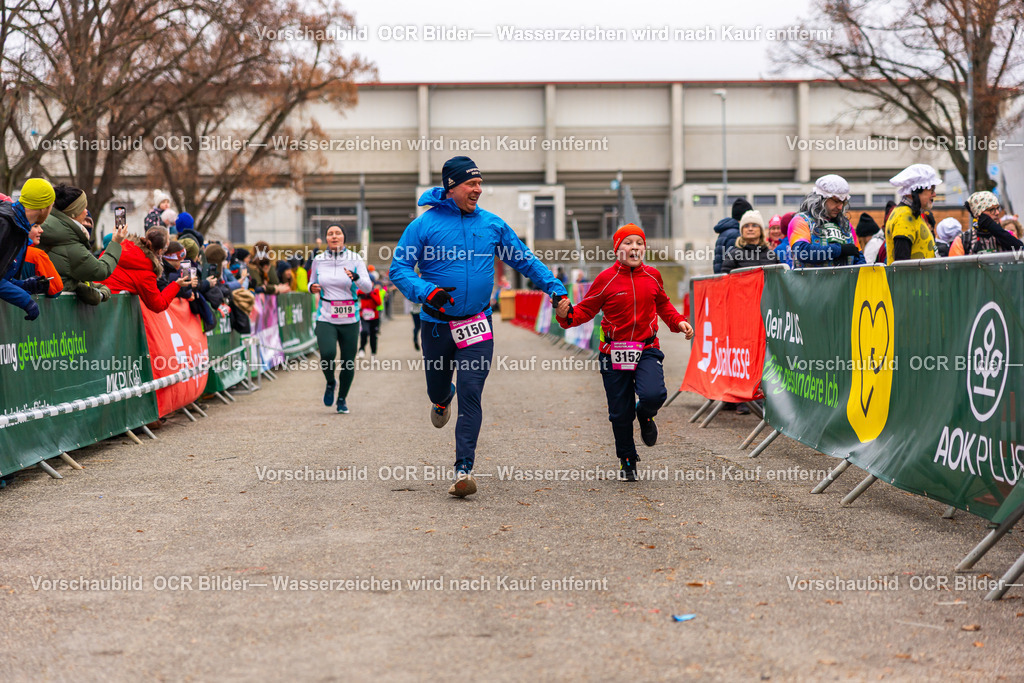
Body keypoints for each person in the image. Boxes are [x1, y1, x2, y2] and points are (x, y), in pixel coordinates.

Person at [390, 156, 568, 498]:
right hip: (437, 325)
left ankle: (463, 469)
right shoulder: (423, 226)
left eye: (479, 183)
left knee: (471, 391)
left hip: (477, 324)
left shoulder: (492, 224)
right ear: (451, 186)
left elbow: (525, 260)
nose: (478, 189)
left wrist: (554, 288)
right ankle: (442, 399)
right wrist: (428, 292)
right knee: (438, 390)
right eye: (471, 183)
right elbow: (399, 269)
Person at [555, 223, 694, 482]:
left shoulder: (653, 276)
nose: (634, 248)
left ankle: (646, 413)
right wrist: (566, 315)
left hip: (646, 348)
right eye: (628, 243)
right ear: (617, 249)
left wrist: (679, 322)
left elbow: (663, 305)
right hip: (613, 352)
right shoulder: (605, 279)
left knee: (654, 394)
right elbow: (585, 310)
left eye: (639, 243)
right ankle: (627, 459)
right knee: (620, 412)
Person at [309, 224, 372, 414]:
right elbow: (311, 282)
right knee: (327, 354)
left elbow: (368, 287)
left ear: (344, 237)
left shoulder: (355, 259)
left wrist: (356, 278)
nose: (334, 236)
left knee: (348, 362)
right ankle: (330, 382)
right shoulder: (319, 260)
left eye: (338, 233)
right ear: (326, 238)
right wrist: (311, 287)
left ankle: (342, 399)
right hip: (326, 315)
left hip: (350, 318)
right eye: (330, 234)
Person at [40, 184, 127, 305]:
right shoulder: (69, 242)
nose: (86, 212)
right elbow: (101, 270)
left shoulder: (43, 228)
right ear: (74, 213)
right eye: (83, 208)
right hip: (57, 309)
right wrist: (116, 242)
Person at [0, 178, 56, 320]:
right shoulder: (5, 224)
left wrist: (25, 285)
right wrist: (25, 300)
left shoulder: (19, 227)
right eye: (51, 207)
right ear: (44, 208)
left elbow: (3, 278)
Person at [100, 227, 190, 312]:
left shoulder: (124, 245)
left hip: (97, 296)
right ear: (160, 251)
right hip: (111, 307)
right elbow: (158, 305)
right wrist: (176, 285)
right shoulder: (146, 271)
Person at [788, 175, 865, 268]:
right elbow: (802, 252)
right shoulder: (801, 220)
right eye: (836, 201)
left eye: (843, 202)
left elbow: (859, 258)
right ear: (821, 199)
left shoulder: (845, 225)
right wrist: (839, 250)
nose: (840, 207)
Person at [885, 164, 941, 263]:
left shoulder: (910, 213)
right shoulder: (904, 217)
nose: (934, 194)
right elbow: (902, 264)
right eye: (931, 190)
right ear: (915, 191)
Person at [948, 191, 1024, 256]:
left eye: (997, 208)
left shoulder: (1008, 235)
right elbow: (955, 267)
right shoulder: (963, 240)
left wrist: (996, 229)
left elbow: (1020, 252)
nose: (997, 213)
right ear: (978, 214)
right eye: (991, 209)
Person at [713, 197, 752, 274]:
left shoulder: (725, 231)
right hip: (730, 277)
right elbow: (732, 262)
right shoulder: (736, 234)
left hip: (721, 275)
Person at [358, 274, 385, 359]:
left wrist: (371, 293)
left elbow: (379, 302)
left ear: (373, 283)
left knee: (373, 336)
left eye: (371, 282)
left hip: (374, 317)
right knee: (364, 332)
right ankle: (361, 349)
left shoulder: (376, 291)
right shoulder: (361, 291)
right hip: (364, 316)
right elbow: (355, 297)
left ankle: (373, 353)